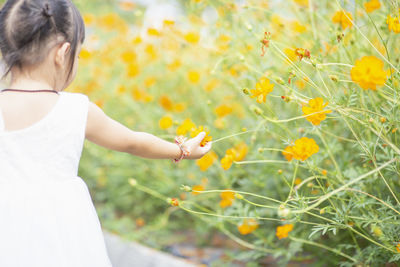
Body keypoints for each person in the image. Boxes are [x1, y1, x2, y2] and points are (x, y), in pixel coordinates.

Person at [0, 0, 212, 266]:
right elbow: (133, 142)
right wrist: (183, 149)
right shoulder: (75, 109)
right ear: (63, 53)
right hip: (62, 223)